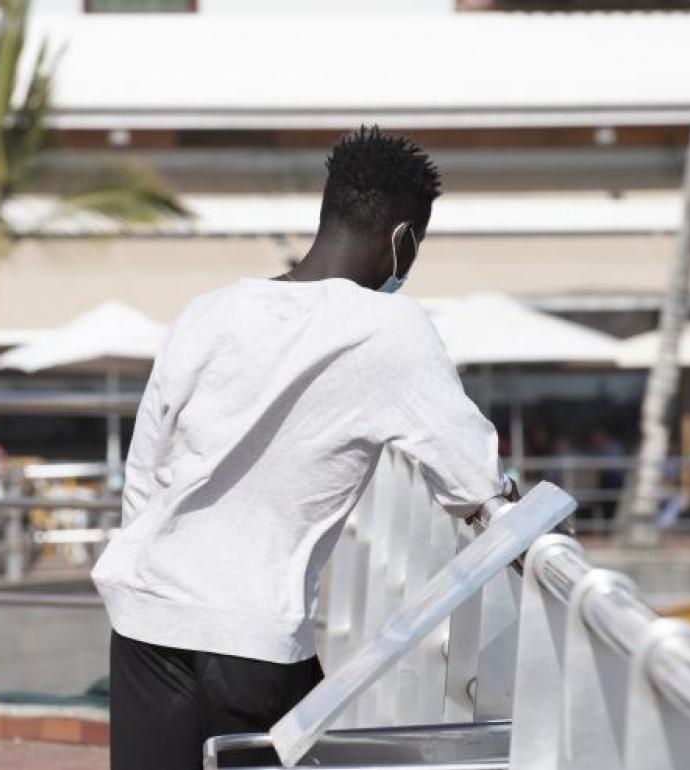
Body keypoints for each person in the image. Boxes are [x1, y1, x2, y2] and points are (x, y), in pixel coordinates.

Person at [91, 127, 513, 770]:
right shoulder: (390, 328)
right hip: (253, 637)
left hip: (147, 617)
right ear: (402, 238)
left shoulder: (211, 310)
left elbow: (145, 471)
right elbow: (472, 481)